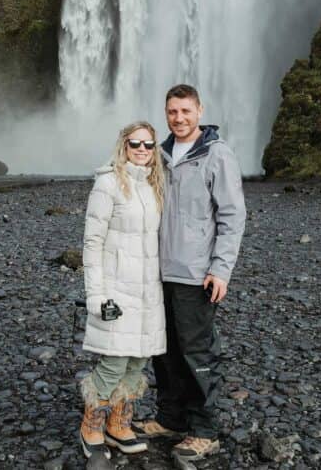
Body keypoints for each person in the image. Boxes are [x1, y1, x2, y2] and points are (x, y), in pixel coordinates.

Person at [133, 84, 246, 463]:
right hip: (159, 272)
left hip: (196, 275)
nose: (178, 118)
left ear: (199, 110)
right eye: (171, 112)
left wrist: (221, 270)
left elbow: (232, 216)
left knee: (197, 352)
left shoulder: (217, 155)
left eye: (185, 111)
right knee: (163, 352)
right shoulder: (159, 155)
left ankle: (204, 430)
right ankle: (171, 418)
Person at [78, 121, 167, 459]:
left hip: (147, 291)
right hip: (116, 291)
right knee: (114, 362)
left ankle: (118, 423)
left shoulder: (154, 185)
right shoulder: (107, 183)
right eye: (135, 144)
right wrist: (96, 296)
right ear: (123, 145)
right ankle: (91, 425)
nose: (142, 150)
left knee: (137, 361)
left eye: (148, 145)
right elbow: (92, 243)